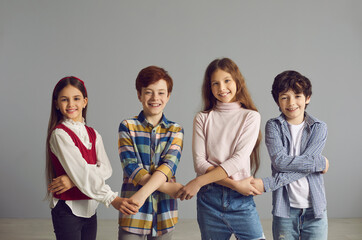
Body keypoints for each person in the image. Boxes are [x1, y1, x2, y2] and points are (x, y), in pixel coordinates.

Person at [176, 58, 265, 240]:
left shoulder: (251, 116)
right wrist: (235, 184)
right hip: (210, 199)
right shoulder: (202, 118)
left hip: (241, 201)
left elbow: (239, 160)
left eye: (227, 81)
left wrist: (199, 181)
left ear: (237, 82)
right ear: (209, 87)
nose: (221, 88)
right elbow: (200, 163)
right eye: (215, 83)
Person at [46, 76, 138, 240]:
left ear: (85, 101)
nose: (71, 104)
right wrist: (112, 198)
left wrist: (72, 180)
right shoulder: (59, 134)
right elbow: (82, 172)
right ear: (56, 104)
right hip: (68, 209)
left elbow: (106, 169)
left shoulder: (93, 134)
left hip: (90, 207)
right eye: (64, 99)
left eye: (76, 98)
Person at [253, 70, 329, 239]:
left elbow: (307, 167)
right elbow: (280, 162)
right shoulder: (273, 126)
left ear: (307, 98)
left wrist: (268, 184)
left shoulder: (319, 127)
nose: (291, 102)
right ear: (278, 101)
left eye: (297, 96)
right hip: (285, 211)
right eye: (284, 97)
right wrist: (320, 163)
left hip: (315, 211)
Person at [118, 66, 184, 239]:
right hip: (133, 211)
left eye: (161, 93)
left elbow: (169, 166)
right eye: (149, 92)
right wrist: (167, 187)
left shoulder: (176, 130)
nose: (155, 98)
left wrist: (143, 192)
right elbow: (130, 166)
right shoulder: (127, 126)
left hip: (165, 214)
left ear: (168, 96)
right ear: (139, 95)